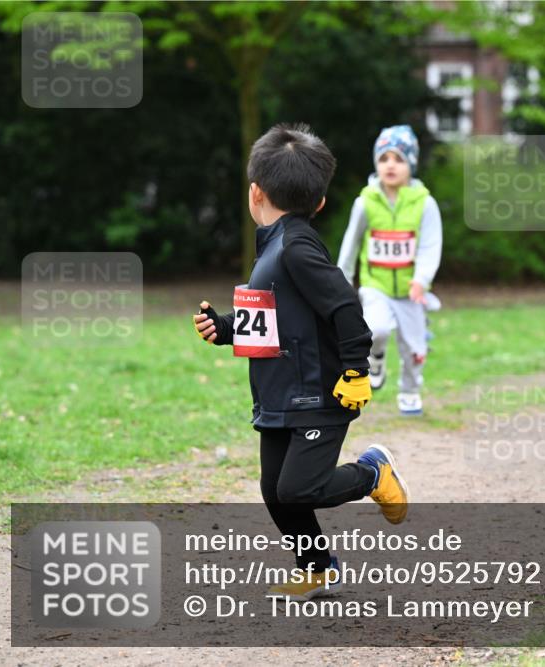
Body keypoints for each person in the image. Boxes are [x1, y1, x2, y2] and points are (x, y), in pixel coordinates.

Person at [192, 123, 409, 599]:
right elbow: (273, 315)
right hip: (279, 393)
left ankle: (373, 471)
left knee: (299, 489)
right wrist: (226, 328)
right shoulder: (274, 246)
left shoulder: (297, 245)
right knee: (275, 489)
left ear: (255, 192)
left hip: (322, 392)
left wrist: (356, 371)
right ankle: (317, 566)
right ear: (321, 202)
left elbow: (346, 308)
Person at [337, 125, 443, 415]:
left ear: (411, 164)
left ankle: (410, 391)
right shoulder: (365, 203)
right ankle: (376, 358)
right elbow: (350, 245)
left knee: (414, 347)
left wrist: (421, 279)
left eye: (398, 158)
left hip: (411, 291)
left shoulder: (425, 204)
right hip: (376, 286)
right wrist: (341, 282)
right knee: (376, 329)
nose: (391, 165)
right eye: (384, 159)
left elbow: (431, 246)